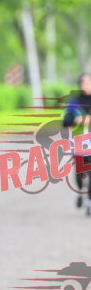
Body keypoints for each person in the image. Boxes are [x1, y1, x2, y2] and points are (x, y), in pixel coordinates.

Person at [63, 73, 91, 212]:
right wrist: (75, 120)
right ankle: (81, 192)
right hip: (79, 144)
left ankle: (89, 201)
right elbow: (65, 121)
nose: (87, 85)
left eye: (89, 82)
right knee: (80, 174)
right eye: (84, 82)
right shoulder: (74, 103)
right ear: (80, 85)